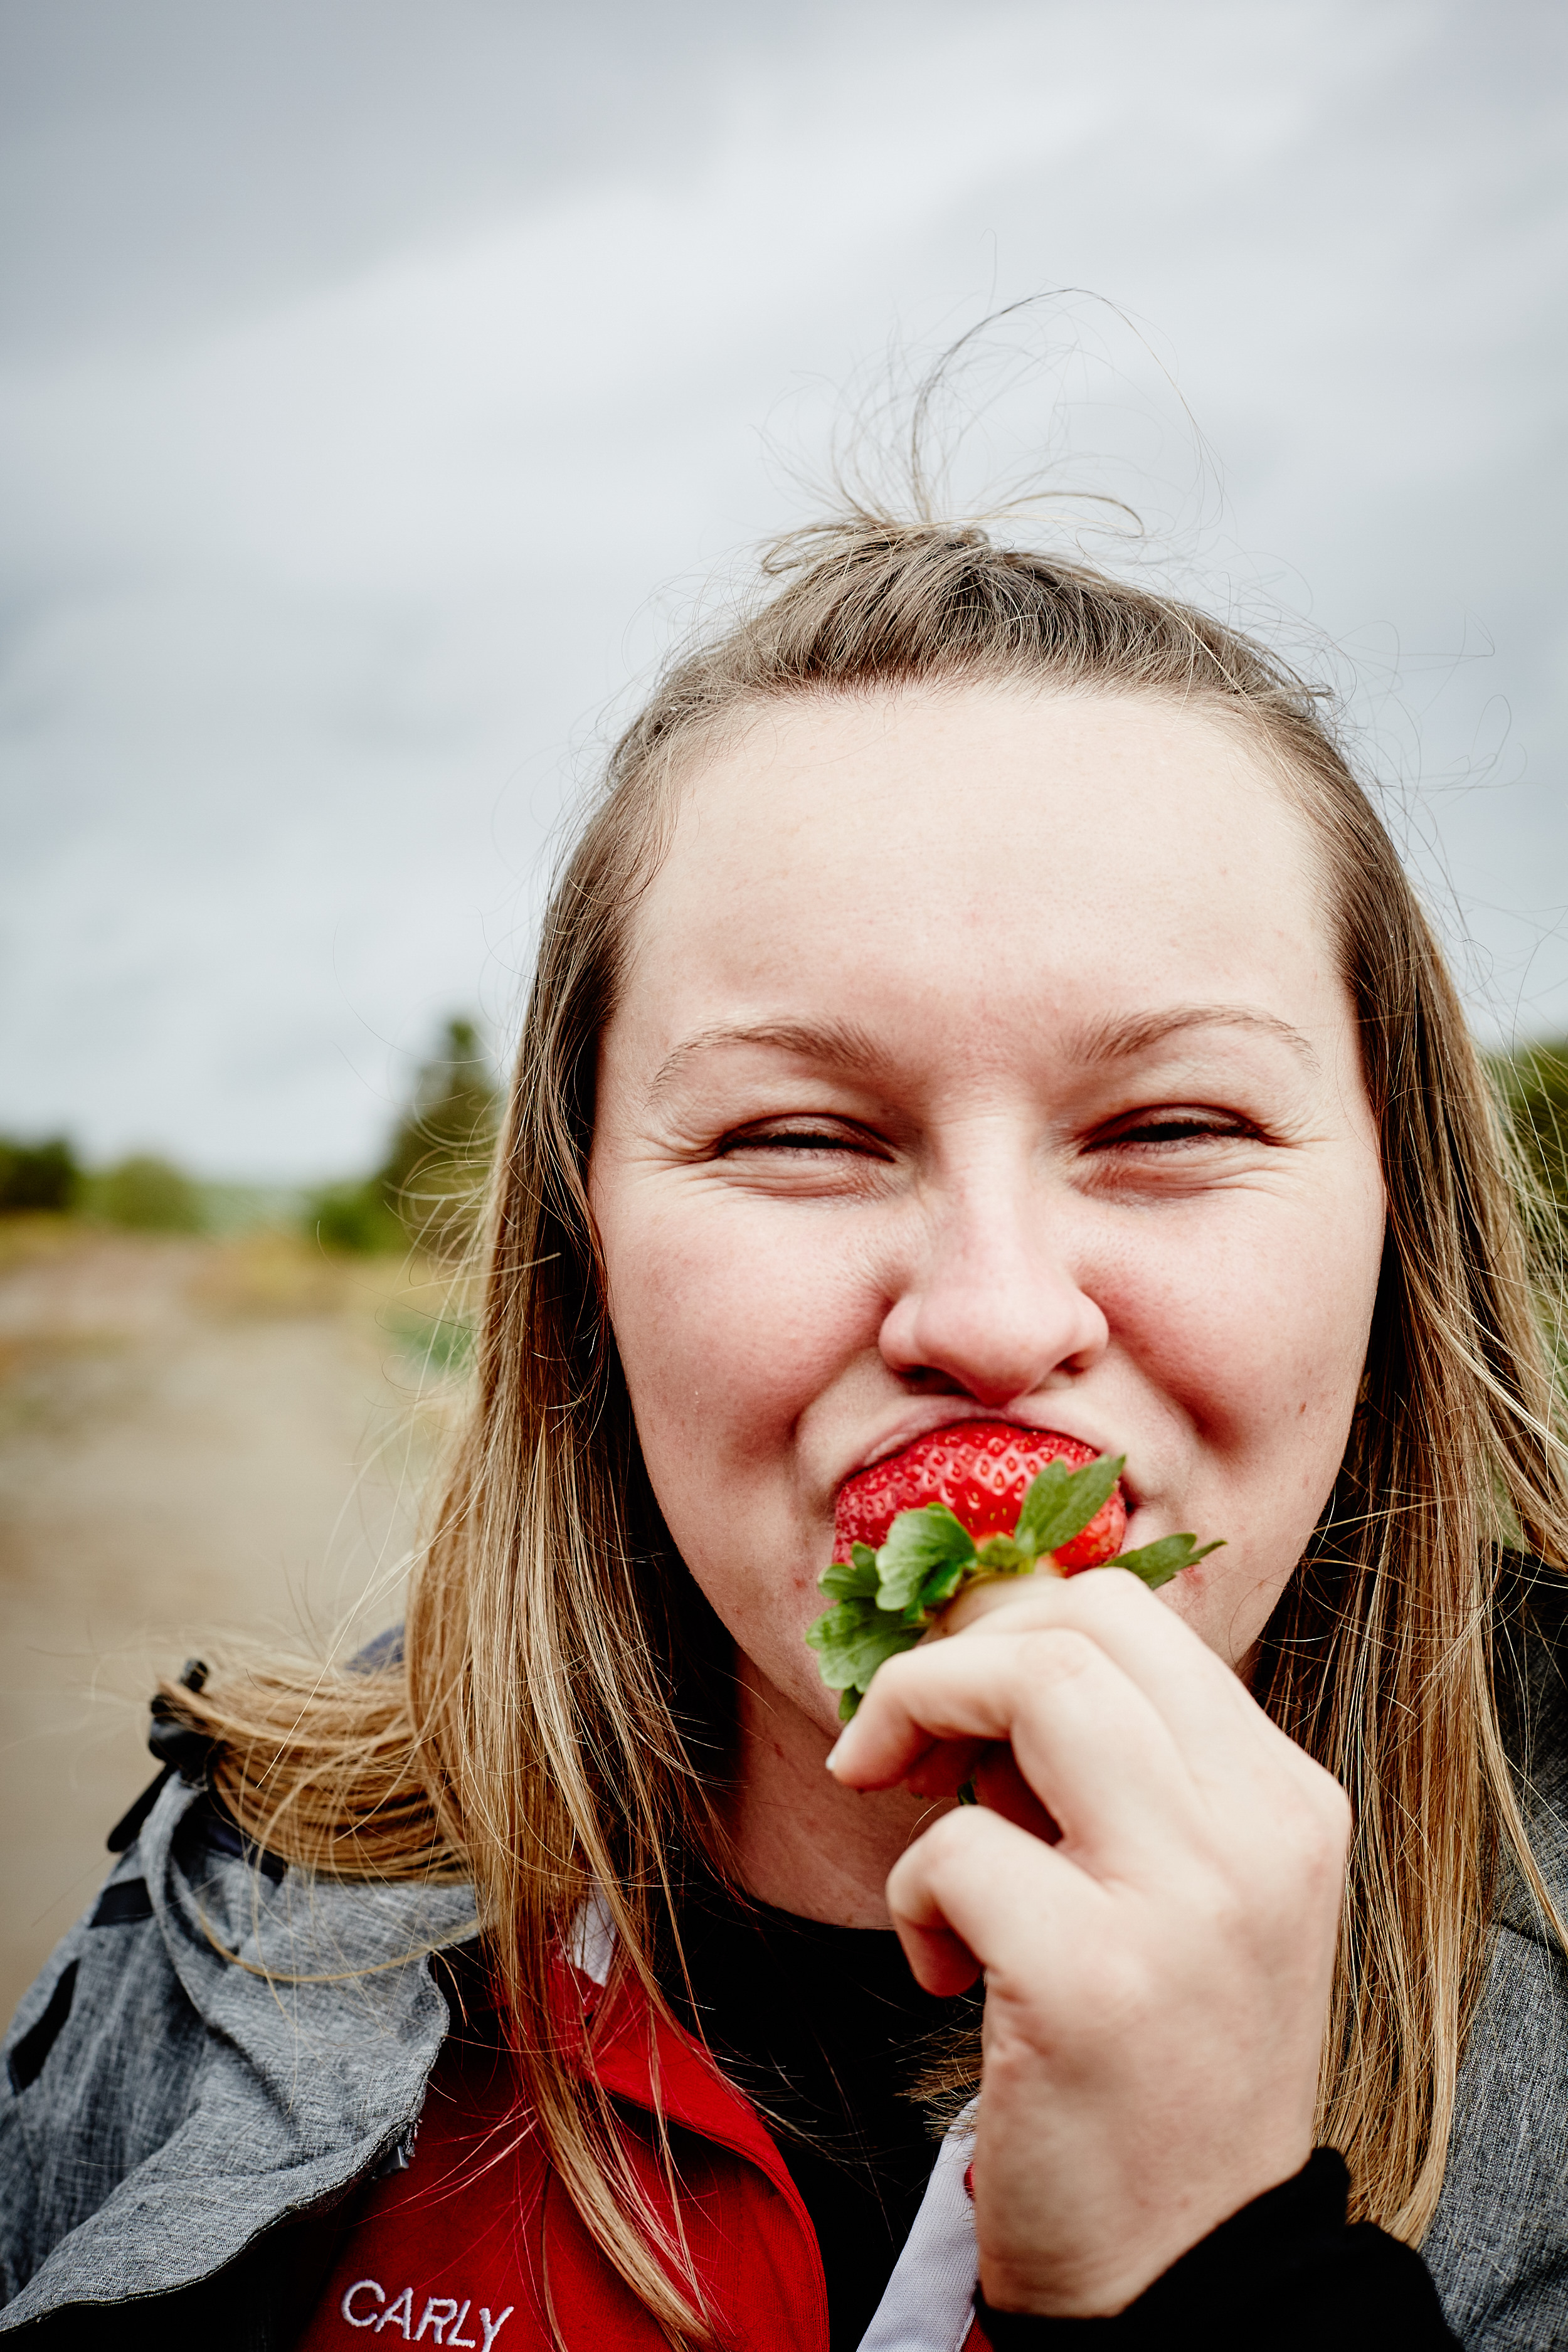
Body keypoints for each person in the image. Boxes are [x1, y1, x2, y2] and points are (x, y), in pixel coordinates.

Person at [4, 509, 1567, 2352]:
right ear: (582, 1251)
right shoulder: (234, 1899)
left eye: (1167, 1127)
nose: (988, 1315)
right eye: (796, 1138)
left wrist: (1230, 2288)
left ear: (1400, 1232)